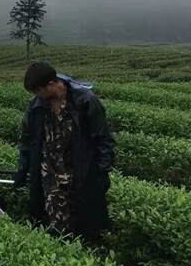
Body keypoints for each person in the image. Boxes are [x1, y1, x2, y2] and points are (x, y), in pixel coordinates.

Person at [13, 62, 115, 240]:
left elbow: (103, 139)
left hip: (80, 173)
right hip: (51, 175)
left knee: (85, 224)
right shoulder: (37, 107)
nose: (36, 96)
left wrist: (102, 171)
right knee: (57, 226)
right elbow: (27, 141)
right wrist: (23, 170)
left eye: (38, 91)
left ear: (51, 84)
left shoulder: (85, 101)